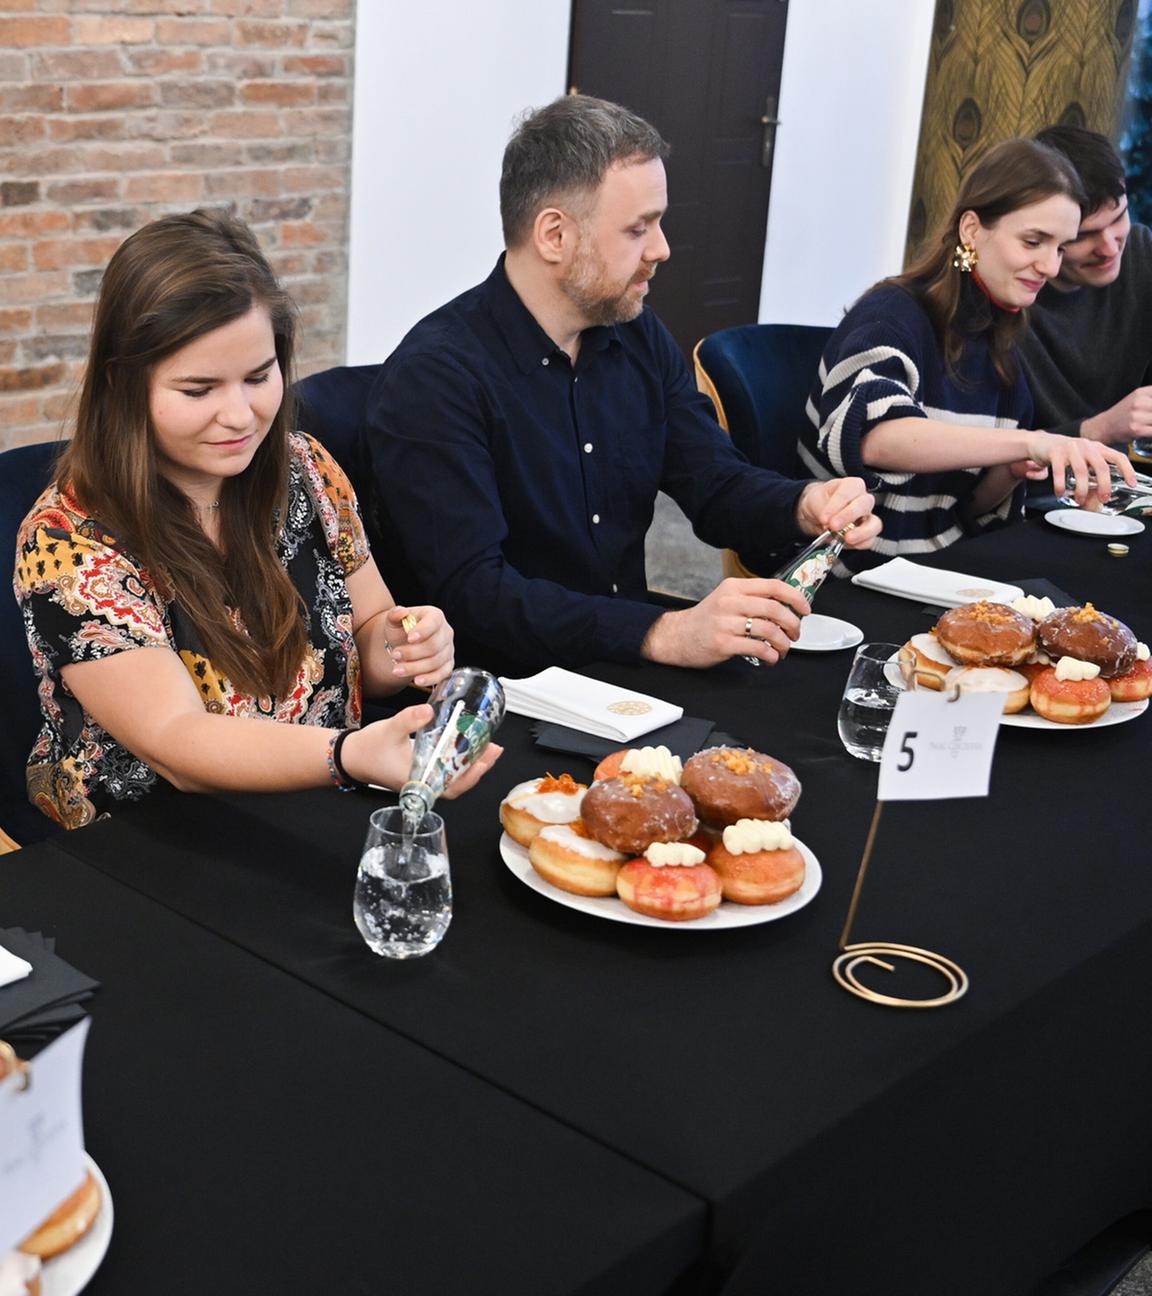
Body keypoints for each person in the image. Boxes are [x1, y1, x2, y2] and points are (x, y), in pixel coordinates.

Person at [14, 210, 500, 830]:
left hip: (316, 813)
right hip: (149, 846)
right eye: (199, 390)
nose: (241, 415)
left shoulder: (306, 470)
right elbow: (178, 743)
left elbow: (371, 632)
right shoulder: (68, 539)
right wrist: (349, 755)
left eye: (258, 376)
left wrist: (406, 645)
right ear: (123, 384)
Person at [362, 95, 880, 675]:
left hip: (623, 670)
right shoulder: (437, 377)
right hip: (508, 693)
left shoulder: (633, 335)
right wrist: (663, 632)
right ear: (555, 236)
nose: (661, 250)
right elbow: (475, 597)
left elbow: (714, 482)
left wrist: (804, 505)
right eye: (638, 228)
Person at [798, 137, 1135, 556]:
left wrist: (1011, 470)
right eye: (1033, 242)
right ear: (972, 229)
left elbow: (963, 510)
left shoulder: (999, 338)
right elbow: (876, 437)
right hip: (853, 572)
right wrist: (1031, 442)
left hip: (937, 566)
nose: (1051, 266)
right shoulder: (892, 313)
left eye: (1061, 248)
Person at [1019, 125, 1152, 446]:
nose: (1109, 247)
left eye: (1119, 218)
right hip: (1037, 491)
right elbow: (987, 462)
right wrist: (1099, 429)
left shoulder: (1143, 252)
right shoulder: (1009, 295)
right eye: (1084, 235)